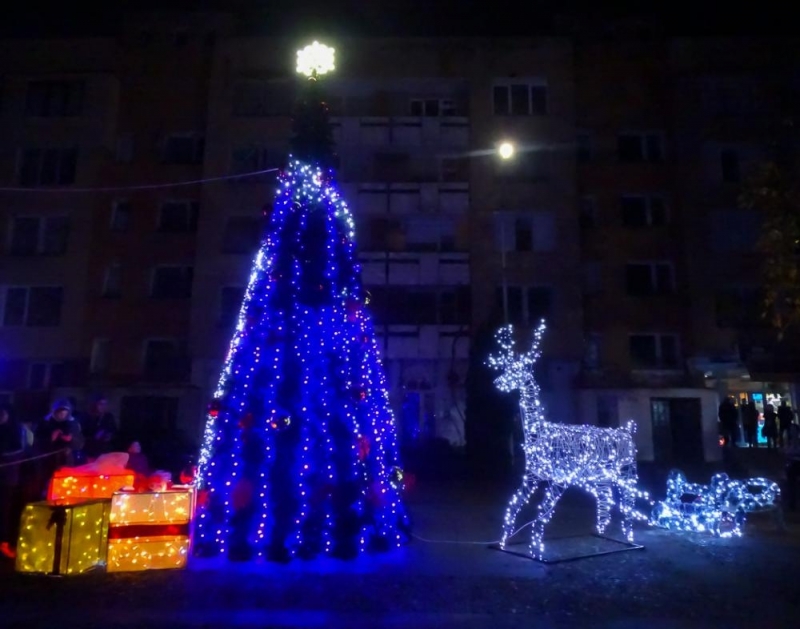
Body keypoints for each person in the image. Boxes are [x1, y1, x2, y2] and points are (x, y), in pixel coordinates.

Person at [35, 399, 85, 483]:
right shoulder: (44, 423)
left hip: (67, 461)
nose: (62, 415)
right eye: (60, 413)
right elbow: (36, 443)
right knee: (48, 484)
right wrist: (50, 438)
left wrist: (71, 440)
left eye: (64, 413)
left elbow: (80, 443)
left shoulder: (73, 423)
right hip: (48, 462)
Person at [0, 404, 24, 559]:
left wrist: (4, 457)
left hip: (8, 477)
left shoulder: (16, 429)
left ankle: (4, 543)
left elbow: (21, 449)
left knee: (4, 511)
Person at [80, 394, 117, 460]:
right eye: (100, 404)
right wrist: (94, 436)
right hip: (91, 450)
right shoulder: (87, 417)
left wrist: (110, 435)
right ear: (95, 404)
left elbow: (114, 430)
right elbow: (83, 433)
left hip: (105, 450)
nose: (103, 406)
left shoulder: (109, 417)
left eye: (105, 404)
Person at [784, 423, 800, 511]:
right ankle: (792, 504)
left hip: (796, 465)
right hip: (791, 466)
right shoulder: (789, 443)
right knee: (791, 484)